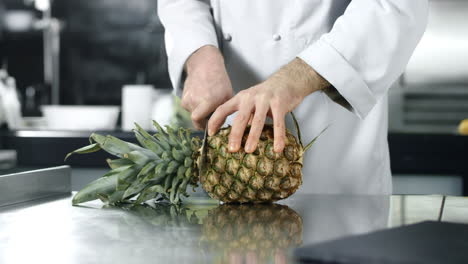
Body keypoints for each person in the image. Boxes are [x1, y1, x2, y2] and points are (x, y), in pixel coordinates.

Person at [158, 1, 428, 194]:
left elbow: (395, 7)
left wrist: (298, 77)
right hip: (232, 167)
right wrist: (200, 56)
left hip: (336, 158)